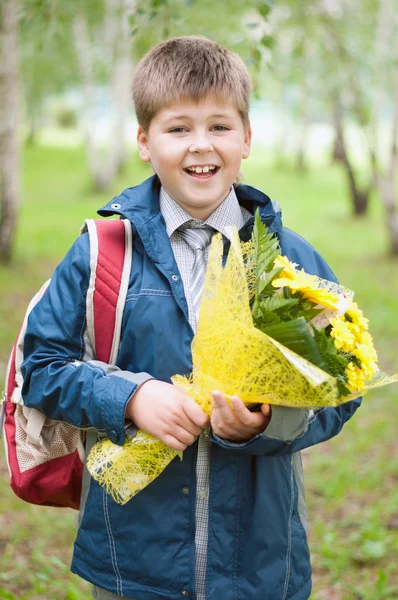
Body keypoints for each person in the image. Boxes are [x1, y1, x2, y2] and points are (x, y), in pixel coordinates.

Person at [21, 36, 361, 600]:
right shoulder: (104, 253)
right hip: (134, 566)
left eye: (219, 126)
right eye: (178, 128)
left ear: (247, 138)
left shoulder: (289, 262)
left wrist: (264, 422)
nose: (200, 146)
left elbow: (341, 389)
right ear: (144, 141)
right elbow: (41, 368)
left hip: (257, 563)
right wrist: (130, 398)